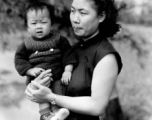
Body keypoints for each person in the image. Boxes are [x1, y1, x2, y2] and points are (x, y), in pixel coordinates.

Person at [25, 0, 123, 120]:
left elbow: (97, 106)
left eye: (82, 13)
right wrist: (36, 85)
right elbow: (55, 77)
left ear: (101, 16)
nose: (75, 19)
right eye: (72, 11)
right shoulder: (74, 48)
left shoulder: (106, 56)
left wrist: (51, 97)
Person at [14, 2, 77, 120]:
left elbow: (68, 55)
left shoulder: (59, 39)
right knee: (41, 93)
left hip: (58, 76)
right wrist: (29, 70)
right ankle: (46, 115)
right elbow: (19, 59)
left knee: (58, 91)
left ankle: (58, 112)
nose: (39, 26)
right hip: (39, 78)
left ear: (51, 25)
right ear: (27, 27)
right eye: (34, 23)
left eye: (43, 22)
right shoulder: (26, 44)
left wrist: (67, 71)